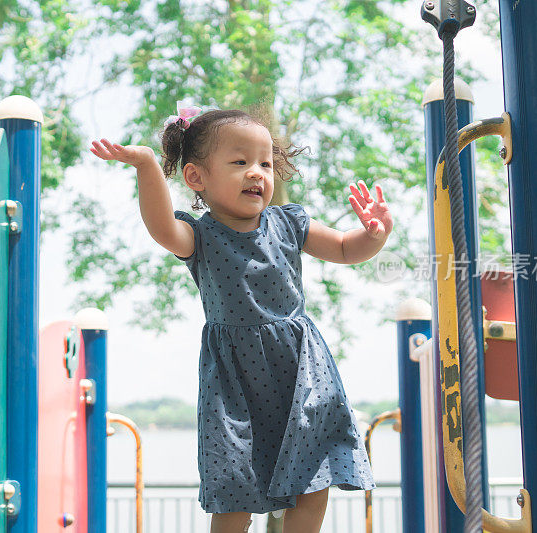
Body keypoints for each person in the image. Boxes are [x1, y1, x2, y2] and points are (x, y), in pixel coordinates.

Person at [90, 102, 393, 533]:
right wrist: (144, 164)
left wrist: (374, 233)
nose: (258, 172)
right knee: (234, 486)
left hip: (300, 371)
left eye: (266, 163)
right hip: (234, 380)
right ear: (197, 177)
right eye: (240, 162)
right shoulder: (200, 235)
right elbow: (160, 227)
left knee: (312, 479)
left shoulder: (290, 224)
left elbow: (346, 248)